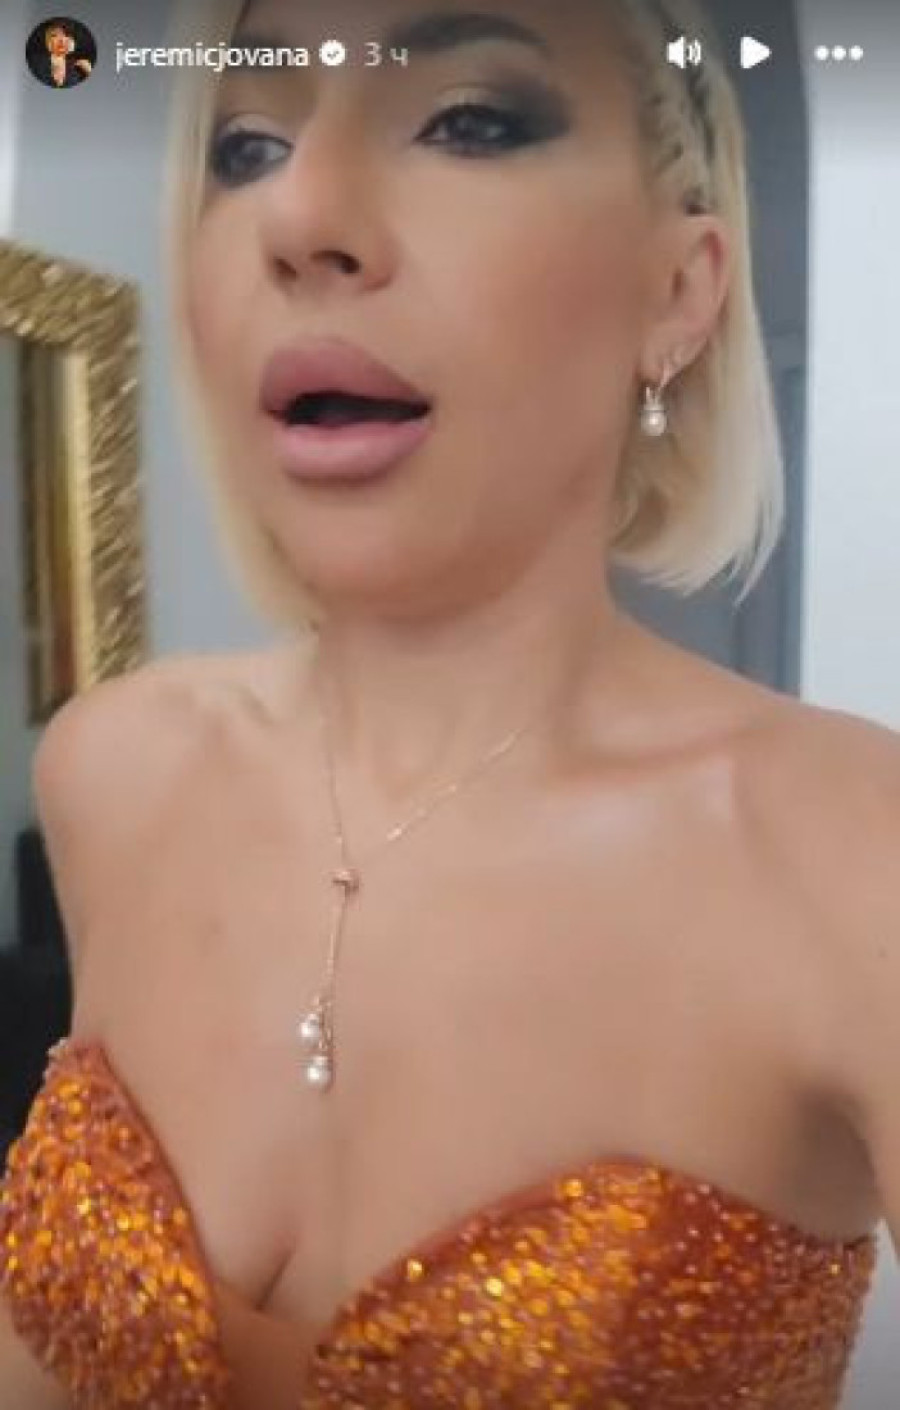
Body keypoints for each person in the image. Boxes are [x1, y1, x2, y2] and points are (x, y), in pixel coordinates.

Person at [2, 0, 899, 1406]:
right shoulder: (109, 768)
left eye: (469, 121)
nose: (301, 216)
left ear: (678, 292)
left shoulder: (851, 850)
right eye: (246, 147)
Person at [30, 21, 93, 88]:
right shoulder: (36, 62)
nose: (62, 40)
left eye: (66, 35)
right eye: (55, 35)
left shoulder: (79, 66)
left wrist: (89, 71)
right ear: (48, 41)